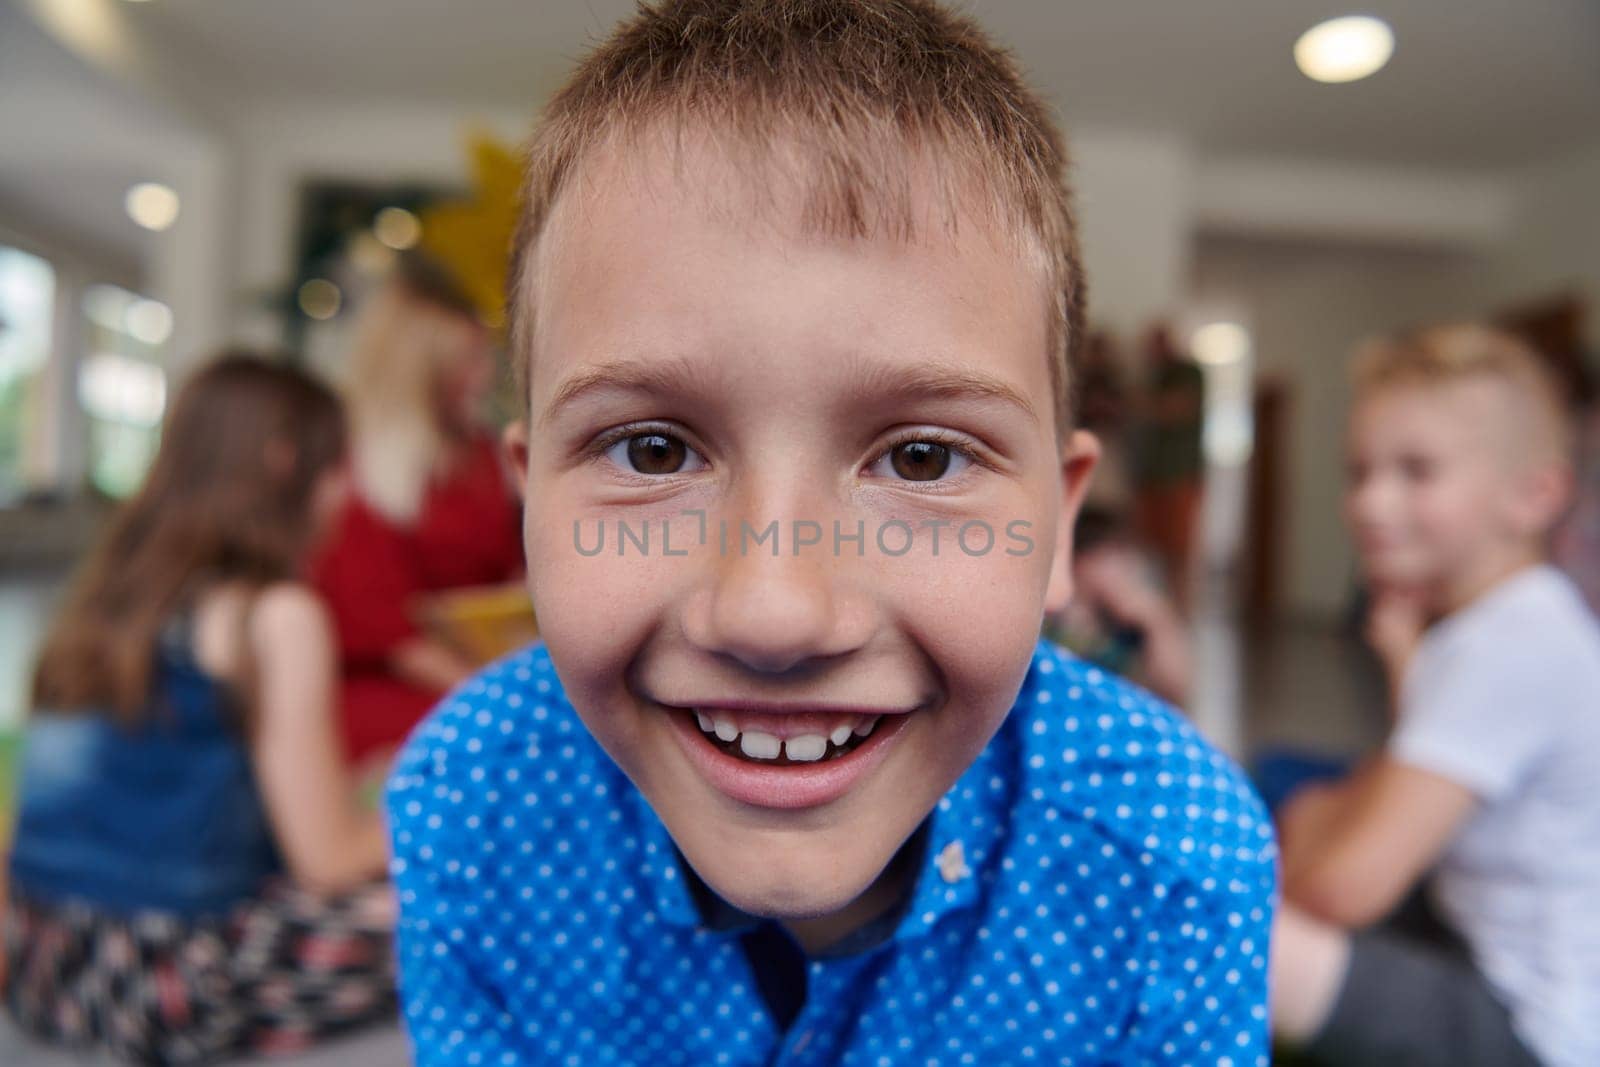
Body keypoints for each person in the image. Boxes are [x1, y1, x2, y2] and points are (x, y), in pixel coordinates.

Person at [384, 2, 1277, 1064]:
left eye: (922, 457)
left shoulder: (1171, 857)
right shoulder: (469, 801)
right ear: (531, 507)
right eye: (653, 451)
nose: (774, 609)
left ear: (1059, 522)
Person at [4, 354, 398, 1064]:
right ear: (285, 463)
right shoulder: (274, 612)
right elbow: (328, 860)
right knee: (470, 902)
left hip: (40, 957)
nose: (347, 492)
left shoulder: (109, 597)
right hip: (168, 979)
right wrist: (429, 797)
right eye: (337, 465)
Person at [1269, 324, 1600, 1067]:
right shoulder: (1492, 623)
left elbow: (1341, 888)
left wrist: (1317, 825)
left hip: (1535, 1033)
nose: (1371, 503)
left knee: (1223, 923)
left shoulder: (1509, 644)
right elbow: (1401, 780)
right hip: (1472, 941)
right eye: (1359, 471)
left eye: (1417, 472)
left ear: (1533, 495)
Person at [308, 255, 524, 768]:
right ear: (422, 369)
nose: (486, 373)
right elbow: (389, 636)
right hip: (399, 693)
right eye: (469, 359)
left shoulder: (484, 454)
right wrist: (497, 693)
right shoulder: (359, 473)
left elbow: (513, 571)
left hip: (479, 668)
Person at [1045, 506, 1194, 706]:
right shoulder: (1055, 617)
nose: (1121, 571)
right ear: (1082, 562)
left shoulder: (1129, 622)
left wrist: (1155, 621)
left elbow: (1177, 689)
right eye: (1111, 559)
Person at [1131, 321, 1206, 611]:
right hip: (1151, 477)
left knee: (1180, 552)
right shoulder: (1155, 377)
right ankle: (1160, 609)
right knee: (1150, 549)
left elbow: (1178, 409)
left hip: (1181, 476)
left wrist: (1146, 404)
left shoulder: (1188, 373)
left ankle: (1181, 611)